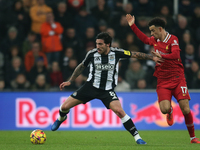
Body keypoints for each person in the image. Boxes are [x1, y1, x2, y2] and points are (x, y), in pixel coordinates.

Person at [51, 32, 162, 145]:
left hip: (107, 90)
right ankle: (61, 119)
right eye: (96, 44)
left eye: (100, 44)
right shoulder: (92, 54)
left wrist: (152, 57)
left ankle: (138, 138)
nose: (97, 47)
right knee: (64, 107)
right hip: (90, 87)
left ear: (108, 44)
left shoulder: (117, 53)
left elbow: (135, 54)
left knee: (120, 111)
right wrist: (70, 80)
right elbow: (82, 66)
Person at [126, 14, 200, 144]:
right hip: (163, 80)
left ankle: (193, 138)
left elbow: (175, 54)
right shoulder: (154, 40)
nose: (151, 33)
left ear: (160, 29)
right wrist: (133, 25)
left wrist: (162, 55)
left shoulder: (173, 39)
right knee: (164, 109)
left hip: (178, 78)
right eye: (150, 31)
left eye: (153, 30)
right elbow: (143, 39)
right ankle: (170, 111)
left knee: (186, 109)